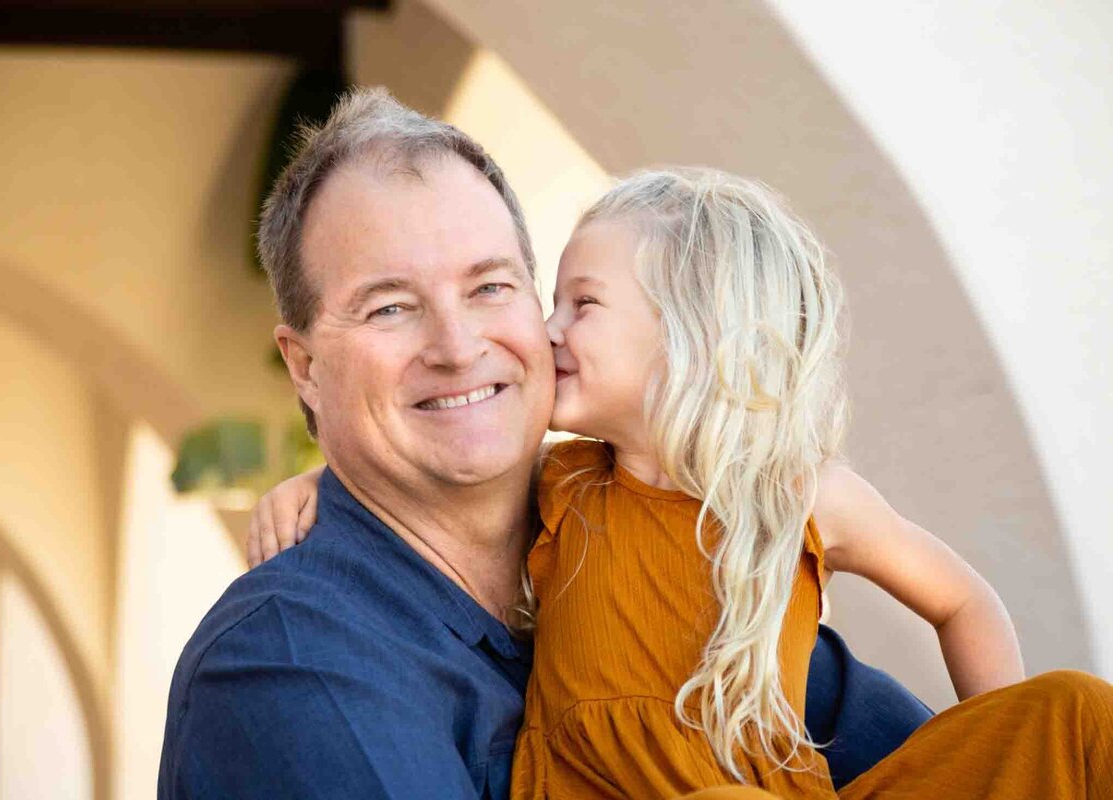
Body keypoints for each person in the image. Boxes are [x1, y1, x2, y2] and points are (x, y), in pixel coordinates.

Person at [248, 163, 1113, 798]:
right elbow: (439, 459)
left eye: (580, 304)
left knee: (1078, 713)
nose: (545, 329)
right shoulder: (566, 483)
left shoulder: (798, 494)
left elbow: (961, 601)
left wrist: (998, 742)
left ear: (686, 335)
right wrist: (324, 479)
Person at [159, 88, 931, 800]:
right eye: (390, 308)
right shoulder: (293, 663)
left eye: (490, 287)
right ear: (305, 368)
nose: (459, 348)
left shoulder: (667, 549)